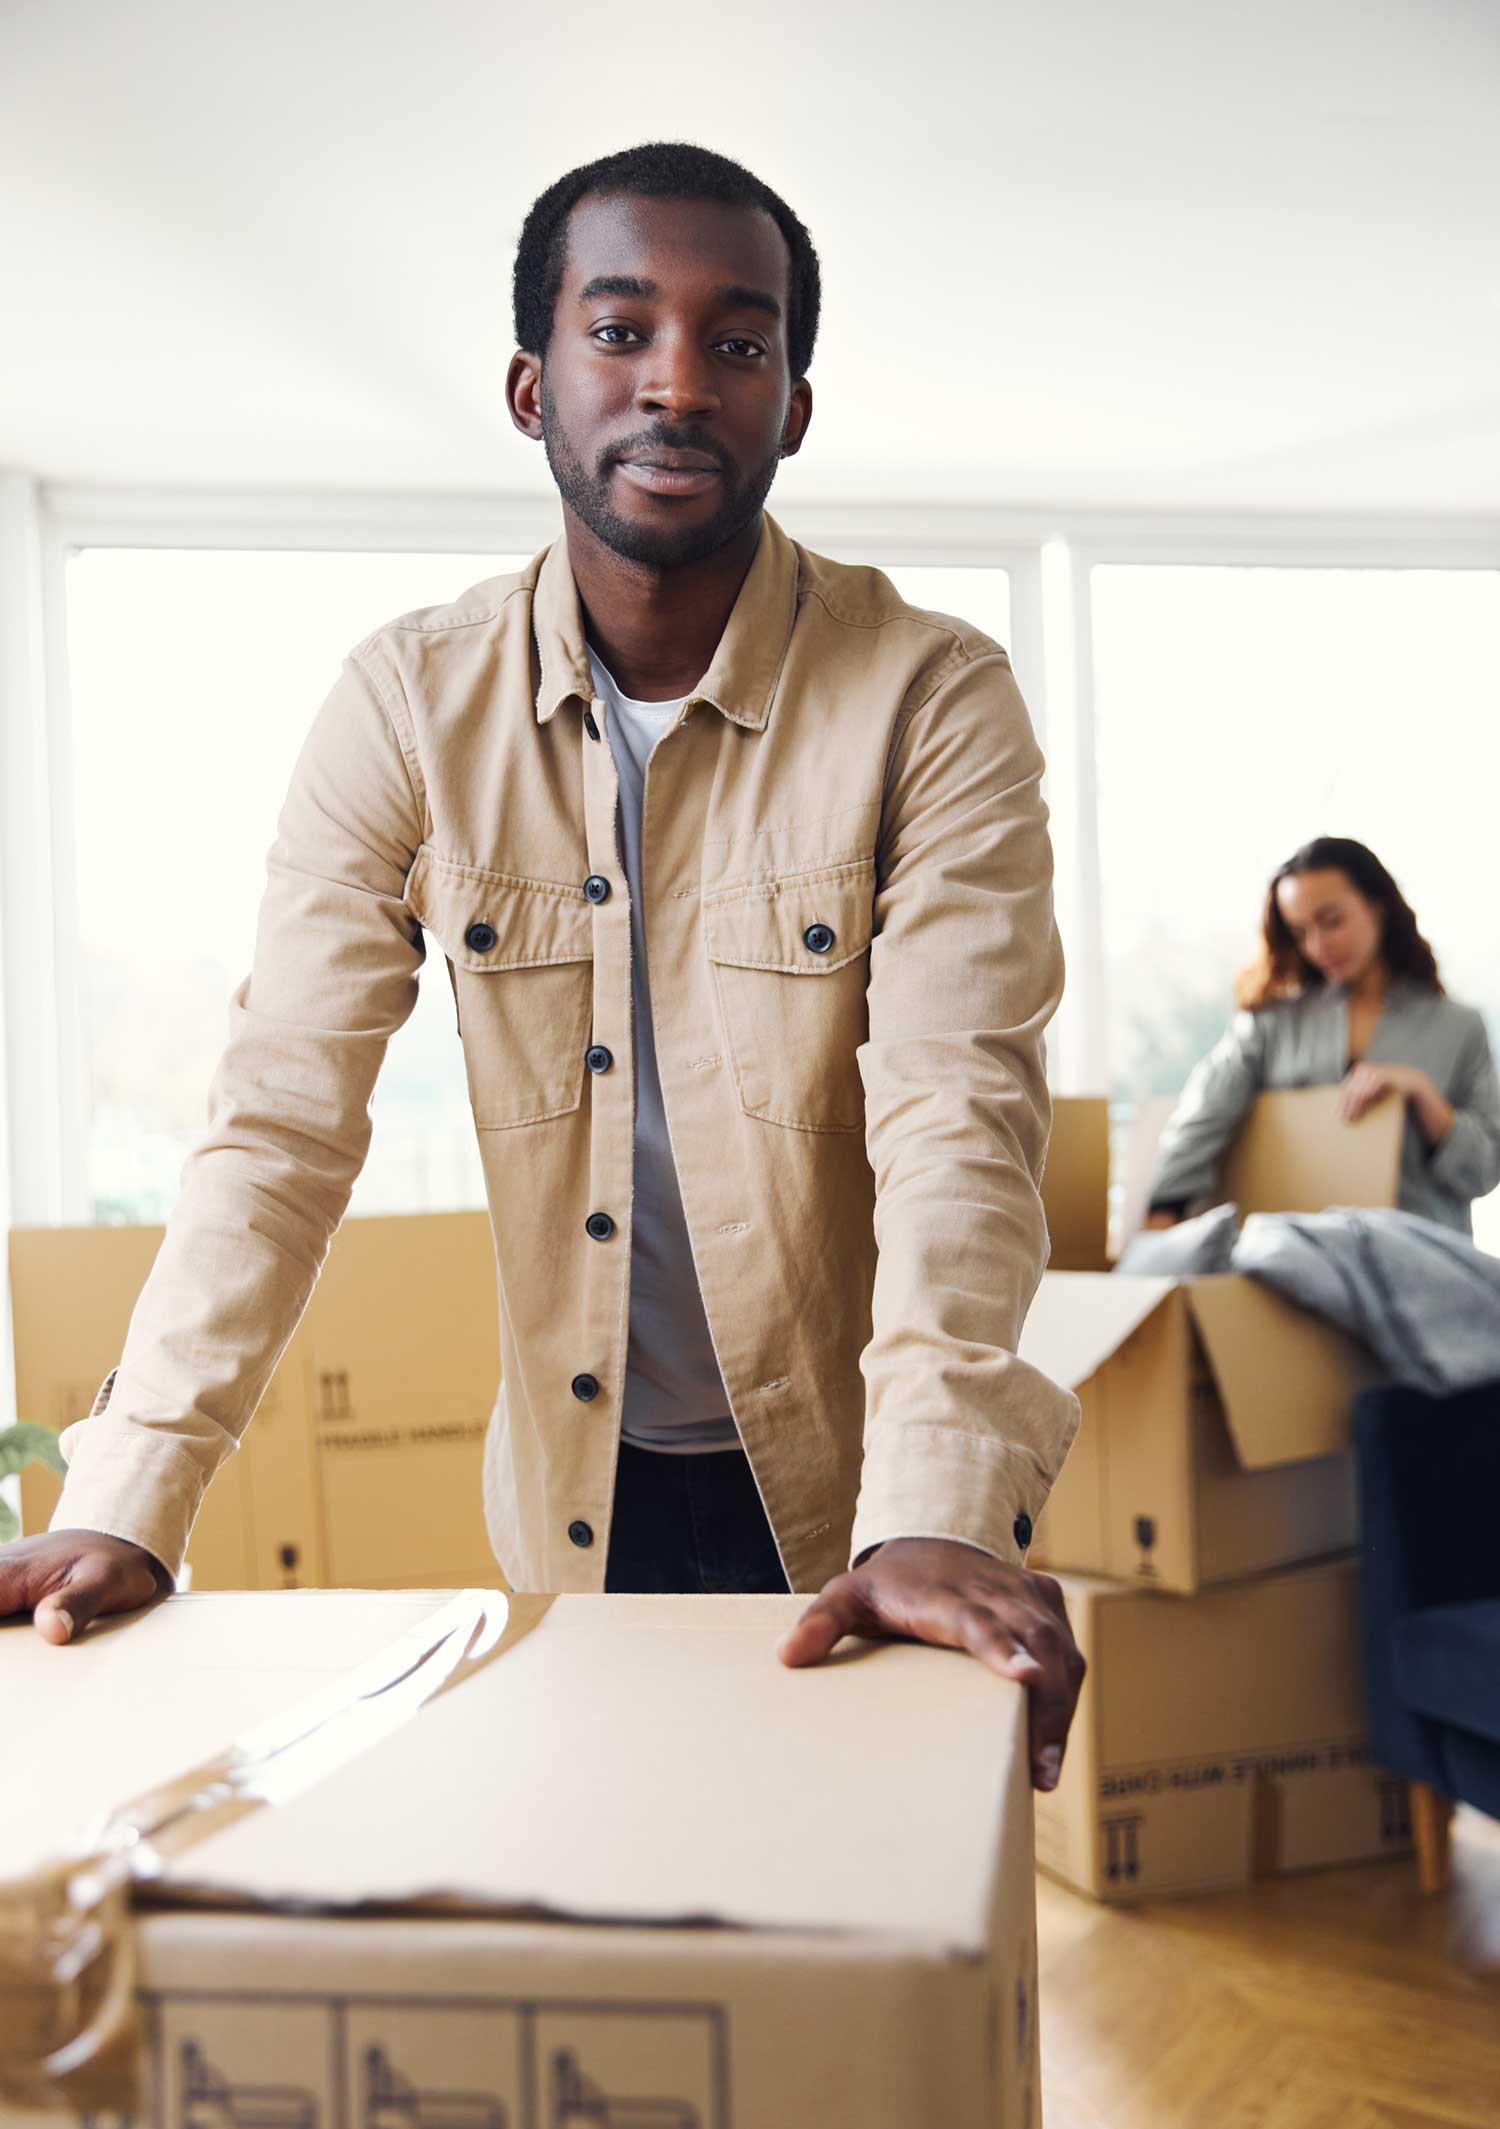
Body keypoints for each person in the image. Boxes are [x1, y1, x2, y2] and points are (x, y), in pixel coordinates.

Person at [1, 142, 1086, 1790]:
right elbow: (279, 1123)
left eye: (739, 340)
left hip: (869, 1497)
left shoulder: (933, 697)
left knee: (861, 1975)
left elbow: (957, 1116)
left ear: (793, 401)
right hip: (576, 1492)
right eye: (622, 328)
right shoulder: (403, 705)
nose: (678, 382)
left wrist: (935, 1506)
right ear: (533, 386)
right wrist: (124, 1501)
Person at [1145, 836, 1500, 1235]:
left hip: (1419, 1260)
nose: (1318, 945)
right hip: (1300, 1255)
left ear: (1377, 906)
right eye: (1299, 932)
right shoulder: (1269, 1024)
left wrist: (1423, 1096)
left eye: (1332, 921)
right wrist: (1162, 1215)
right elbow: (1203, 1117)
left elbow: (1485, 1172)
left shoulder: (1460, 1027)